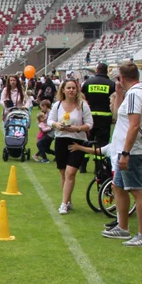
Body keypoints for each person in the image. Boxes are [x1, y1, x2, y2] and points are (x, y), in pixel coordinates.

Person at [103, 60, 142, 247]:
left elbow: (134, 125)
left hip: (131, 151)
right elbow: (119, 116)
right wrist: (119, 92)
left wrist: (125, 152)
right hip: (126, 149)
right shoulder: (137, 92)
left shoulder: (135, 95)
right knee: (120, 187)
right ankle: (123, 227)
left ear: (122, 77)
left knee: (137, 191)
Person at [52, 78, 92, 214]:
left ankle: (63, 204)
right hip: (61, 140)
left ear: (77, 90)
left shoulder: (83, 105)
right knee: (64, 174)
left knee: (70, 173)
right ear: (63, 90)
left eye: (73, 88)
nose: (71, 90)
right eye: (68, 88)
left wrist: (76, 128)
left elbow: (89, 124)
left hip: (77, 142)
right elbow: (50, 120)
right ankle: (68, 200)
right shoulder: (57, 105)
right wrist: (57, 125)